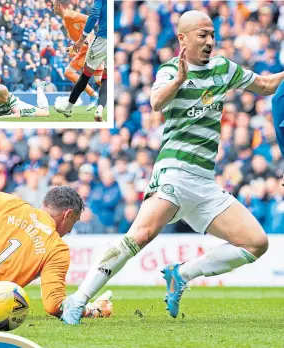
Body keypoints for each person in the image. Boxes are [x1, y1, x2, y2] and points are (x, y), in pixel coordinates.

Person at [61, 10, 284, 325]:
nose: (209, 40)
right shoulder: (169, 71)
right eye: (201, 34)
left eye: (211, 34)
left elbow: (264, 84)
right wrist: (179, 80)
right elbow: (156, 102)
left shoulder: (224, 68)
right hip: (175, 171)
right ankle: (78, 298)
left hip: (205, 182)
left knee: (256, 243)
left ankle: (182, 275)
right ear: (183, 38)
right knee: (140, 234)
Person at [0, 187, 112, 319]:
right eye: (74, 222)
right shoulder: (57, 249)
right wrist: (92, 310)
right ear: (67, 215)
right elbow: (54, 305)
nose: (70, 230)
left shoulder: (9, 203)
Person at [55, 0, 107, 122]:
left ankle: (92, 96)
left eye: (53, 6)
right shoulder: (67, 18)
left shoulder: (69, 14)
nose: (53, 8)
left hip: (95, 45)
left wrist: (85, 38)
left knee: (84, 76)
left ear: (59, 6)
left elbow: (90, 17)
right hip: (90, 46)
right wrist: (74, 47)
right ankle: (98, 104)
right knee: (102, 79)